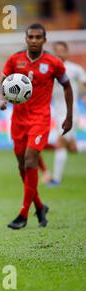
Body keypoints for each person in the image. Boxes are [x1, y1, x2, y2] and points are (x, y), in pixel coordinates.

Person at [0, 23, 73, 230]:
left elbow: (67, 86)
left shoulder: (53, 62)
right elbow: (3, 82)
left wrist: (69, 116)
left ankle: (23, 214)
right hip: (18, 120)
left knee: (31, 159)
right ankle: (40, 207)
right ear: (26, 38)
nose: (34, 40)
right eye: (30, 36)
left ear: (44, 40)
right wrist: (1, 99)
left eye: (38, 37)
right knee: (22, 166)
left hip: (40, 119)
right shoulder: (15, 59)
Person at [46, 41, 86, 186]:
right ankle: (56, 179)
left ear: (67, 53)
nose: (59, 53)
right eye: (56, 51)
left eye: (62, 50)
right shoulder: (49, 70)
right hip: (57, 112)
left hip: (71, 112)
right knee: (72, 148)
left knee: (60, 143)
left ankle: (56, 179)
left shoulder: (75, 69)